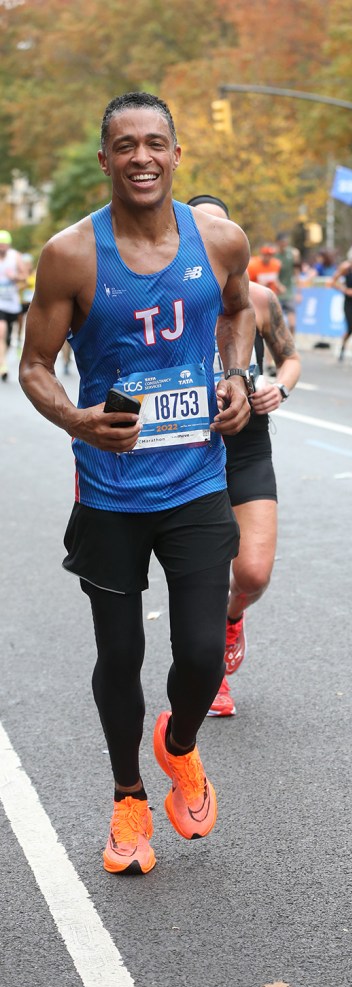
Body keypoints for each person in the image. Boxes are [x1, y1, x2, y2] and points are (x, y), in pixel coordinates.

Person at [19, 92, 256, 876]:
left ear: (178, 154)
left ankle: (179, 744)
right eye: (126, 146)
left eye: (156, 143)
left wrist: (233, 375)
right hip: (111, 493)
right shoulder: (71, 255)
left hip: (195, 482)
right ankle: (128, 796)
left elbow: (238, 311)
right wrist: (79, 421)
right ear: (106, 159)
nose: (142, 157)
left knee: (200, 654)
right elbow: (34, 366)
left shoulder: (219, 238)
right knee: (119, 655)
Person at [187, 194, 301, 716]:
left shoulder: (258, 298)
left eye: (222, 227)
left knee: (252, 573)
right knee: (204, 573)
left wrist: (280, 386)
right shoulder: (170, 299)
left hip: (248, 444)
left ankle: (234, 618)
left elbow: (290, 357)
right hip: (187, 451)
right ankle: (213, 679)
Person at [0, 229, 26, 381]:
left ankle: (6, 352)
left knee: (8, 337)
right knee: (1, 332)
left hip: (12, 303)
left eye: (5, 245)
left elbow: (24, 277)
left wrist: (14, 277)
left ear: (8, 245)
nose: (2, 248)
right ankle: (2, 365)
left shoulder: (15, 257)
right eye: (0, 245)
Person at [275, 231, 298, 334]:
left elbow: (296, 273)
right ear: (278, 243)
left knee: (292, 324)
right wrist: (278, 285)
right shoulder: (274, 255)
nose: (285, 244)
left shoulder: (293, 253)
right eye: (283, 242)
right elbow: (272, 274)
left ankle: (292, 347)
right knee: (277, 324)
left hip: (289, 291)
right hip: (276, 292)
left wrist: (299, 292)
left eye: (286, 242)